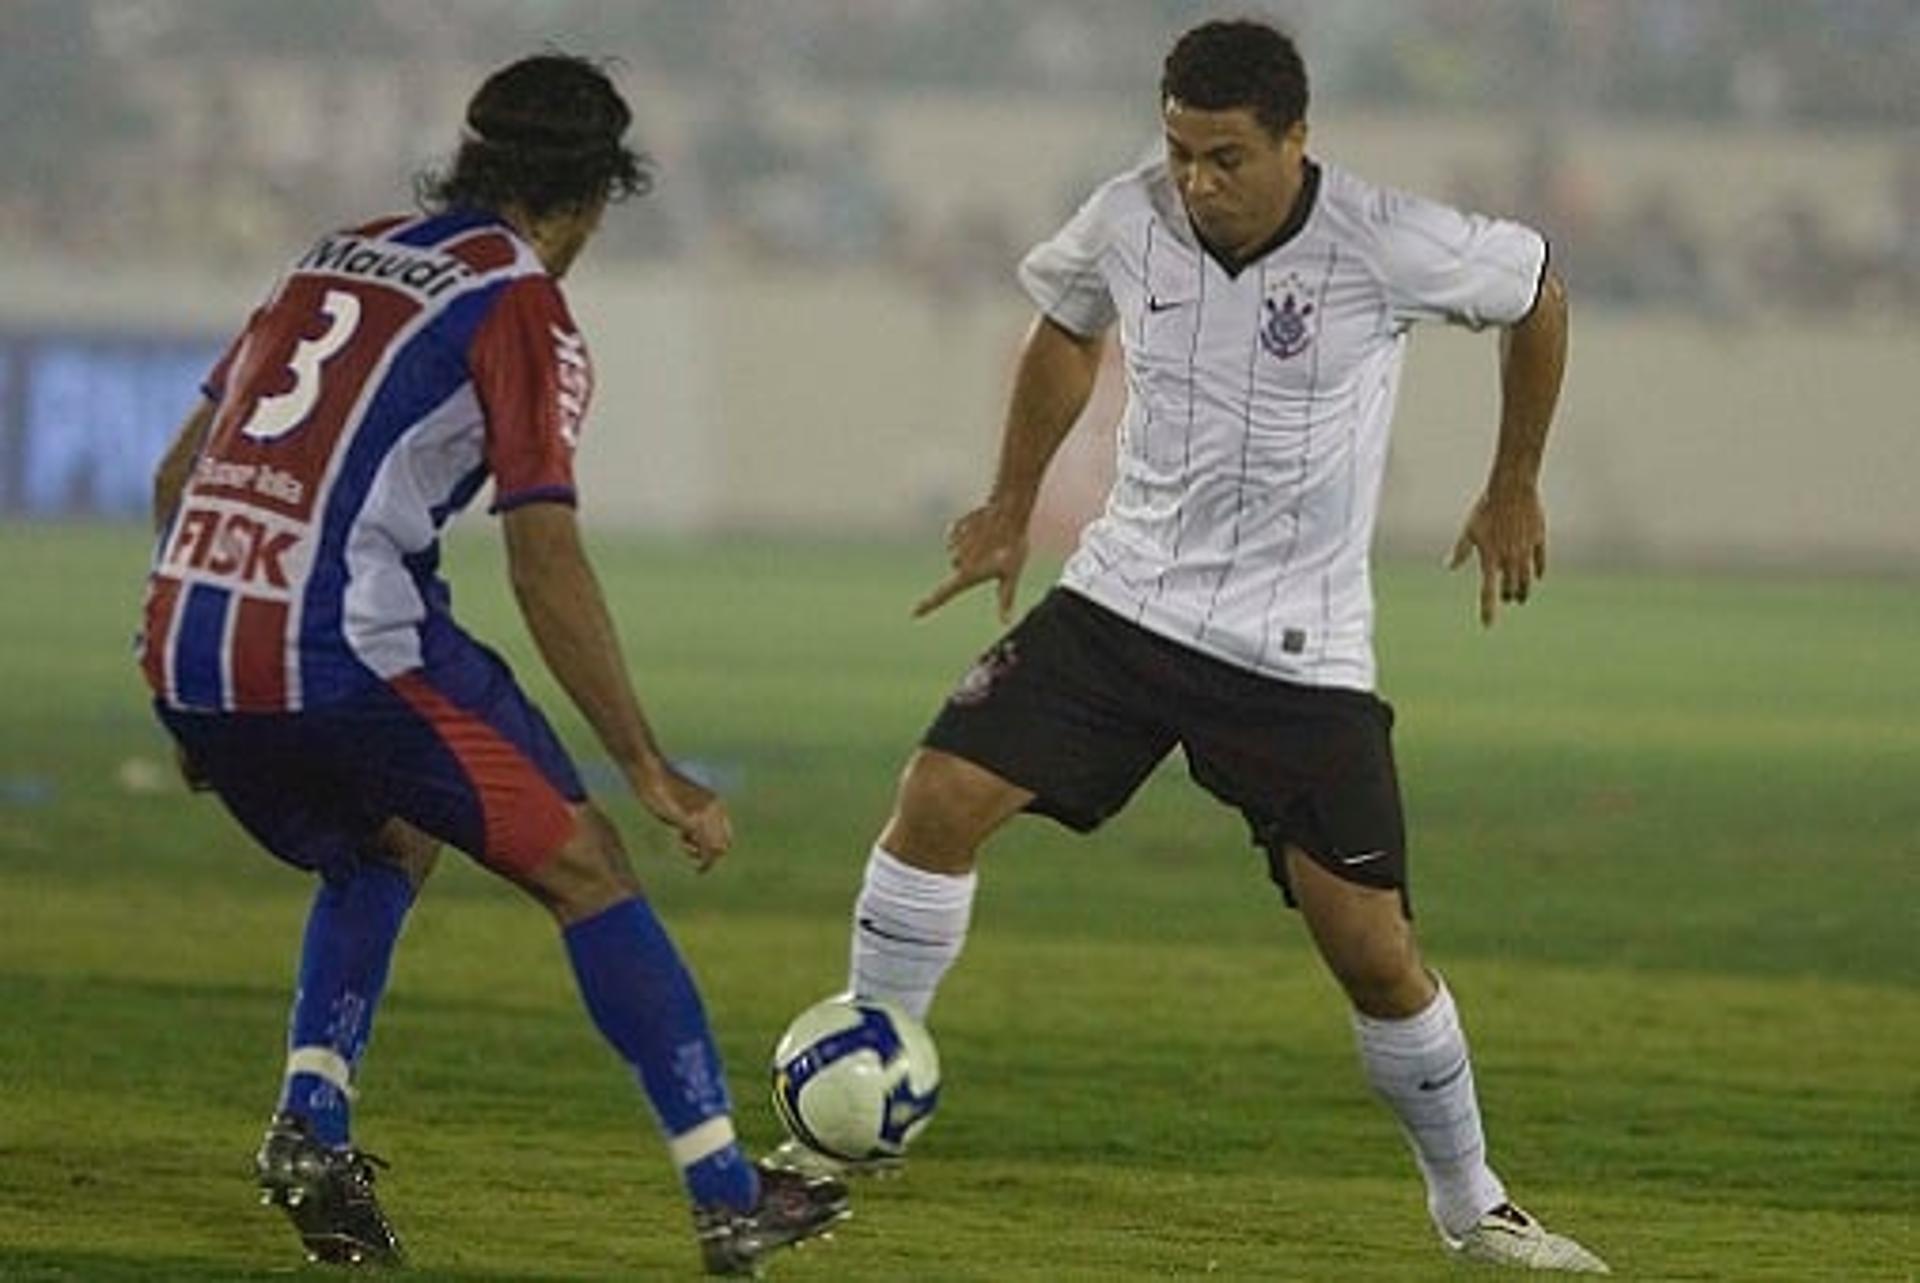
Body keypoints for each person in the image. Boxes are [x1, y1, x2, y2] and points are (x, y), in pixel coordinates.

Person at [821, 20, 1608, 1274]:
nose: (1195, 181)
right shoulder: (1127, 215)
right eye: (1181, 150)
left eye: (1226, 156)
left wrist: (1514, 478)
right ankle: (853, 1111)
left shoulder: (1385, 237)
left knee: (1374, 950)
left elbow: (1540, 291)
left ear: (1298, 142)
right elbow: (1066, 330)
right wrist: (1015, 497)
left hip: (1296, 651)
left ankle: (1472, 1205)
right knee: (938, 795)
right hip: (1125, 604)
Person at [138, 54, 847, 1277]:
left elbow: (174, 475)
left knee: (387, 838)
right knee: (589, 865)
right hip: (340, 641)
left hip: (188, 631)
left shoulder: (334, 252)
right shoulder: (521, 301)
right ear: (593, 197)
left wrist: (212, 688)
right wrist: (644, 762)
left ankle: (312, 1123)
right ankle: (731, 1198)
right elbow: (545, 559)